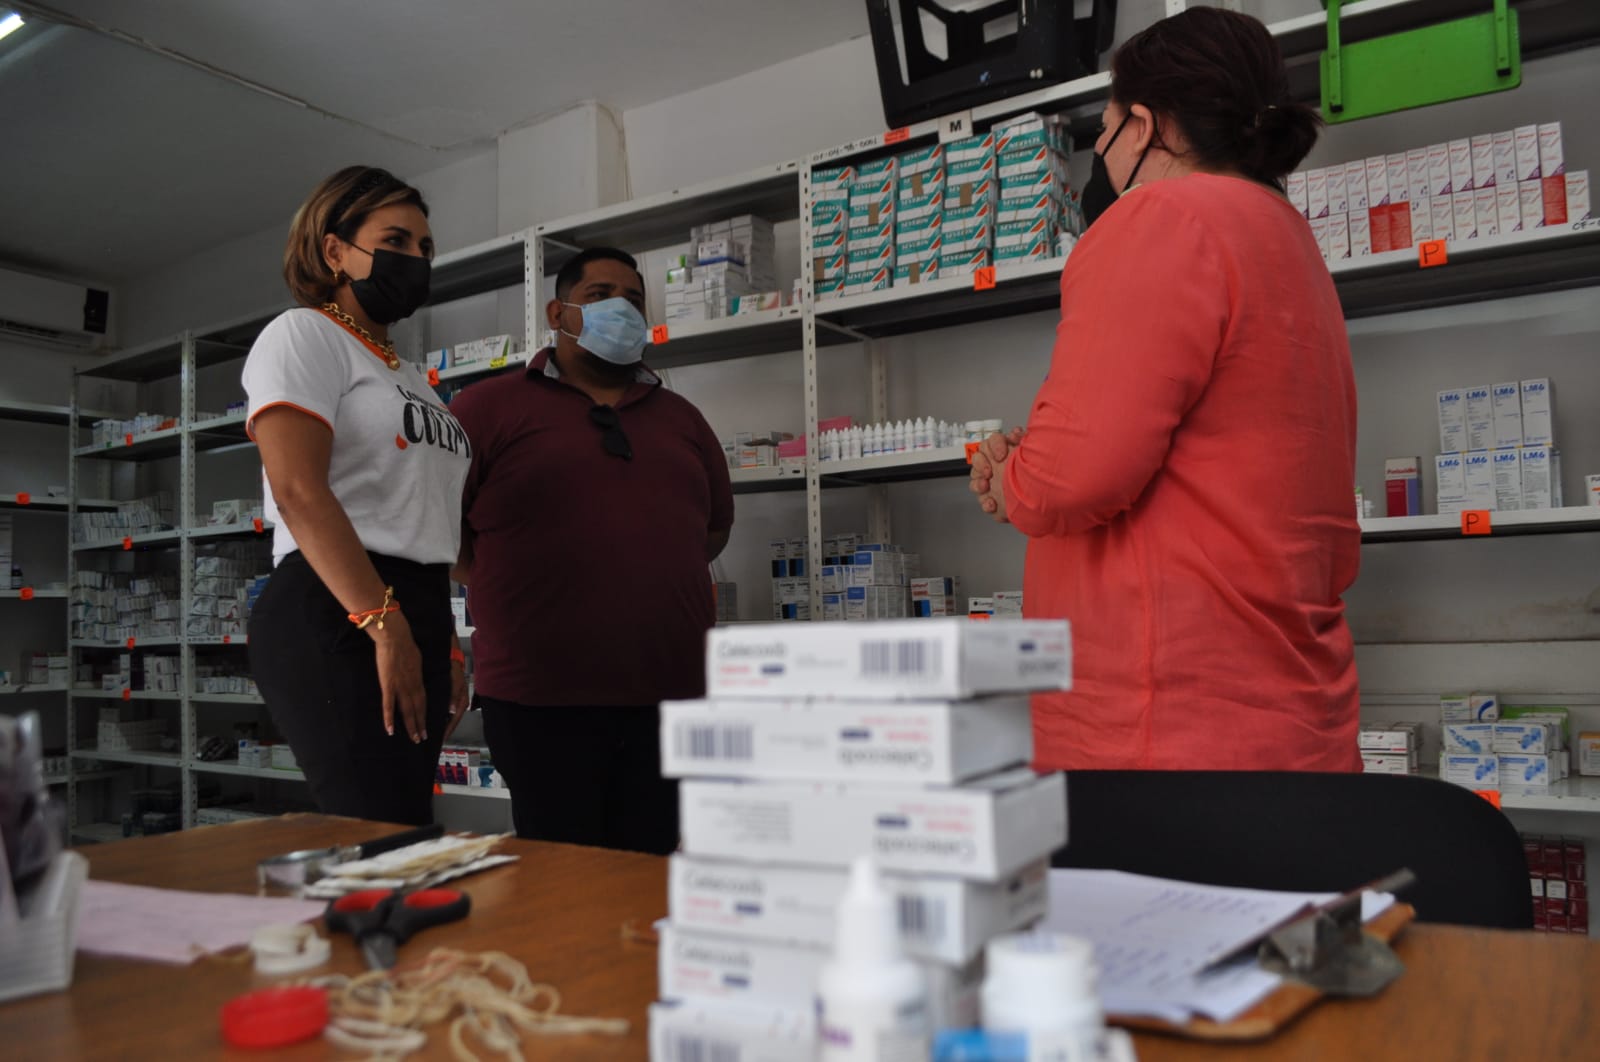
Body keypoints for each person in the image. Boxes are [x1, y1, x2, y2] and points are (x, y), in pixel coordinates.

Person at [969, 8, 1360, 772]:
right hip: (1290, 713)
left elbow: (1072, 477)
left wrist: (1012, 477)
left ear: (1145, 125)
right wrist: (1035, 462)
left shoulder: (1160, 217)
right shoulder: (1286, 235)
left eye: (1106, 127)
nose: (1100, 151)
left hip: (1164, 730)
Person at [450, 247, 734, 854]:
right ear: (559, 313)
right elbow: (442, 532)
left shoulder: (682, 417)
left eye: (634, 299)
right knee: (562, 873)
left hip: (671, 692)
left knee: (653, 872)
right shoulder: (486, 408)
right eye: (601, 295)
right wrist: (515, 583)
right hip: (540, 699)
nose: (622, 309)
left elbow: (711, 531)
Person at [244, 165, 471, 826]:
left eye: (425, 248)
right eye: (395, 241)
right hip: (340, 604)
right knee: (375, 827)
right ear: (334, 250)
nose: (415, 259)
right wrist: (384, 621)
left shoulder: (410, 377)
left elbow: (422, 516)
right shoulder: (303, 334)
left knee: (405, 825)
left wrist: (444, 640)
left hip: (414, 606)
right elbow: (297, 490)